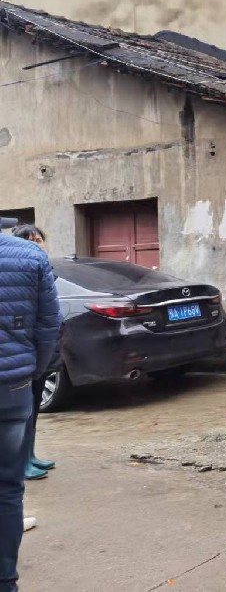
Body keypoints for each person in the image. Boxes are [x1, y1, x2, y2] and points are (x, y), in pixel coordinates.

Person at [0, 227, 61, 592]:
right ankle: (5, 581)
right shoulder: (30, 255)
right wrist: (31, 371)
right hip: (12, 388)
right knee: (7, 488)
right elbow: (50, 323)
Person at [11, 226, 57, 484]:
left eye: (39, 239)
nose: (37, 244)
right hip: (24, 351)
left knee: (34, 408)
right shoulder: (19, 270)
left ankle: (30, 454)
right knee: (22, 412)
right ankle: (21, 461)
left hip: (41, 349)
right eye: (30, 240)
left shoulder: (44, 268)